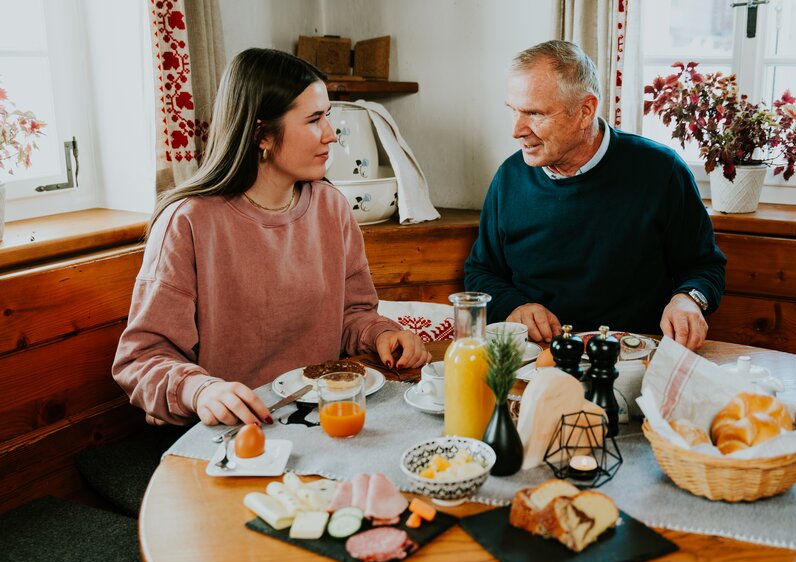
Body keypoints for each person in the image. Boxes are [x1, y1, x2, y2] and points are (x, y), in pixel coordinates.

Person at [113, 48, 430, 427]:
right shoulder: (188, 221)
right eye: (314, 119)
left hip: (324, 416)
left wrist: (381, 334)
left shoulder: (332, 206)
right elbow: (142, 358)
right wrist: (200, 391)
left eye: (327, 116)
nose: (331, 135)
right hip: (234, 433)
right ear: (262, 134)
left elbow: (353, 314)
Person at [464, 40, 726, 349]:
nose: (517, 130)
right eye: (513, 111)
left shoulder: (661, 171)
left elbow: (704, 266)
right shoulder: (510, 177)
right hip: (539, 358)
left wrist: (688, 299)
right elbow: (481, 272)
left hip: (634, 355)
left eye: (535, 114)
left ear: (585, 111)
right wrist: (514, 306)